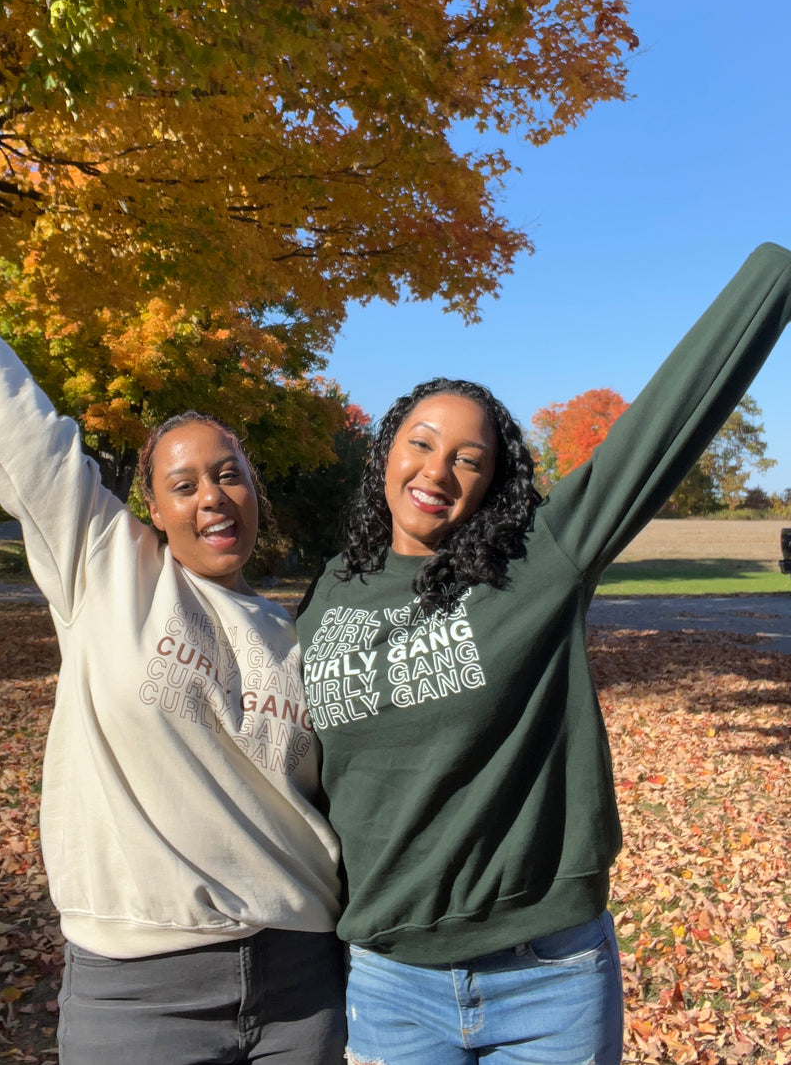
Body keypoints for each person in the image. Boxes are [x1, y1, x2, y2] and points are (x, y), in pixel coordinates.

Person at [294, 241, 791, 1065]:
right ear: (387, 447)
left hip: (547, 977)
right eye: (421, 441)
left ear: (493, 484)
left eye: (470, 459)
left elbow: (662, 424)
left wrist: (778, 272)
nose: (437, 470)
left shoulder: (537, 564)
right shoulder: (325, 596)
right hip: (389, 982)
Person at [0, 275, 345, 1065]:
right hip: (142, 992)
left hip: (302, 983)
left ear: (256, 490)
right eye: (184, 484)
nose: (212, 496)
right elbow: (24, 435)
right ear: (151, 506)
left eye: (229, 473)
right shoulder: (107, 566)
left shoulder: (295, 633)